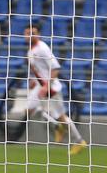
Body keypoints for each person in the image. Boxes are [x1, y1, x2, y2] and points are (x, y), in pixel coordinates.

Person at [24, 23, 87, 155]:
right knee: (30, 110)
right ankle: (57, 126)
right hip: (40, 87)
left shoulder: (42, 48)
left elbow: (55, 68)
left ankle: (79, 141)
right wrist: (33, 81)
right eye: (27, 33)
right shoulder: (31, 51)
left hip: (51, 87)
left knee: (61, 116)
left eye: (33, 33)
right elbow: (37, 69)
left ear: (38, 34)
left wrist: (47, 86)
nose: (30, 35)